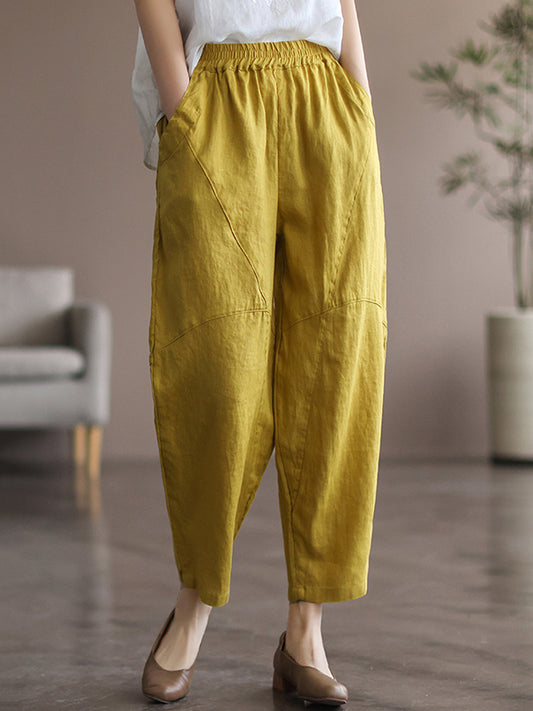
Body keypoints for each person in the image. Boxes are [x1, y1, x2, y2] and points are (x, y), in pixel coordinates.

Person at [132, 0, 387, 705]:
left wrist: (359, 101)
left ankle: (306, 634)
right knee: (216, 366)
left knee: (336, 356)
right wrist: (183, 105)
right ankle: (192, 605)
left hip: (325, 92)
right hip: (216, 94)